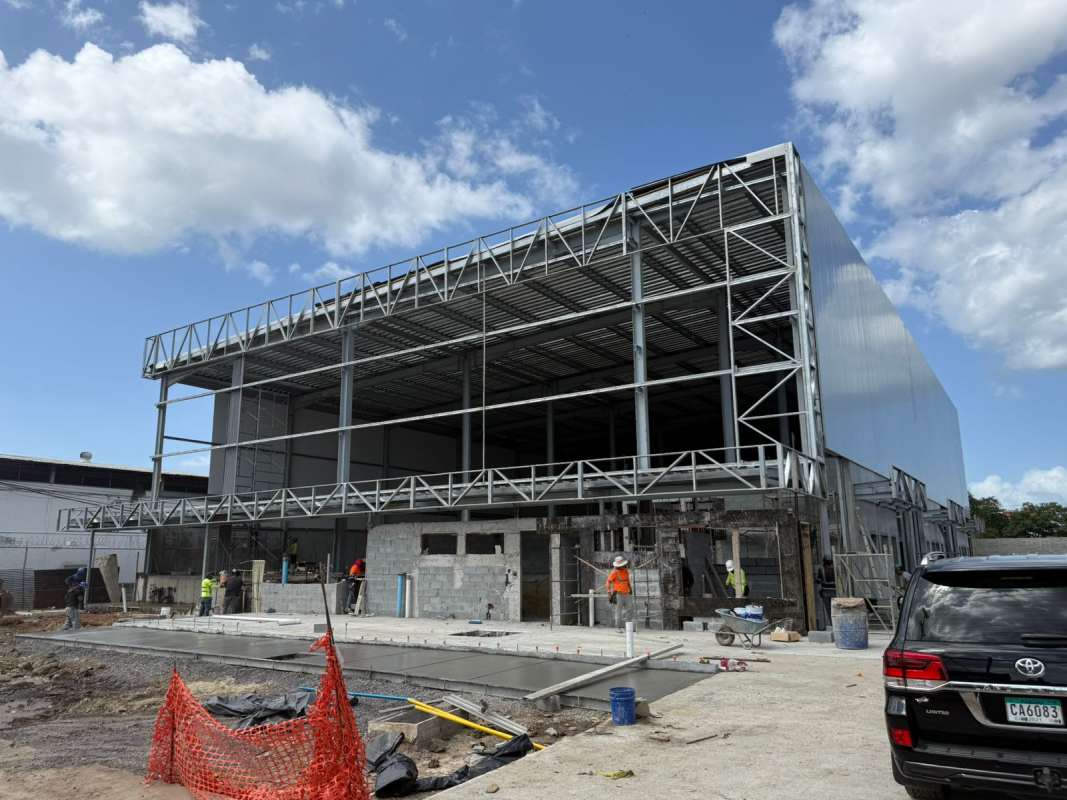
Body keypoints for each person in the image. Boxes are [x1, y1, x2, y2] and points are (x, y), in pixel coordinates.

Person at [605, 555, 633, 632]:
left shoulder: (626, 571)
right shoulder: (614, 572)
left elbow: (627, 581)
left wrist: (630, 589)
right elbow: (608, 582)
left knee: (629, 609)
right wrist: (609, 593)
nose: (623, 566)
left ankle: (628, 627)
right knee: (618, 611)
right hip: (618, 594)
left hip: (627, 593)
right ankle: (618, 627)